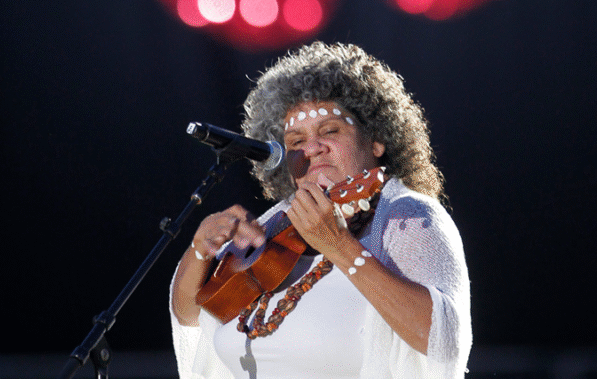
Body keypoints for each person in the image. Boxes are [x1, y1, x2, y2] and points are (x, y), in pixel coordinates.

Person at [171, 42, 471, 379]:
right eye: (296, 142)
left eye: (330, 131)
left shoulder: (409, 216)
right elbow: (192, 315)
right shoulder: (275, 223)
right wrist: (200, 250)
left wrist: (339, 246)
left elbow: (443, 342)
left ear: (377, 140)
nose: (312, 148)